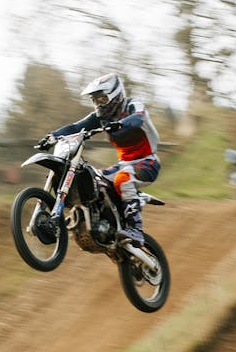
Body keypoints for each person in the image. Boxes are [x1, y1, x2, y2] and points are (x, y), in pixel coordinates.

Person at [37, 71, 160, 245]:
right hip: (123, 164)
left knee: (122, 180)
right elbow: (76, 126)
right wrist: (52, 136)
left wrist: (121, 123)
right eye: (95, 100)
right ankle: (102, 222)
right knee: (94, 180)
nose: (98, 104)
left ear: (115, 95)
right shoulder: (101, 117)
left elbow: (138, 118)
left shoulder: (133, 105)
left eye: (102, 99)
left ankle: (136, 230)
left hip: (147, 162)